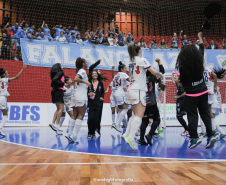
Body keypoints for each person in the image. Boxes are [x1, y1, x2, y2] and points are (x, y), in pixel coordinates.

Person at [175, 32, 216, 149]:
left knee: (192, 116)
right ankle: (210, 135)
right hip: (203, 91)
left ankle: (194, 138)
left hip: (192, 94)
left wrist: (179, 81)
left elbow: (182, 80)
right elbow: (202, 47)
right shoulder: (200, 60)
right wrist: (199, 38)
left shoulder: (183, 66)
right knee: (205, 113)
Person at [123, 43, 162, 149]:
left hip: (131, 89)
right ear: (140, 51)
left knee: (135, 114)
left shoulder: (130, 61)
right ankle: (131, 138)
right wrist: (162, 75)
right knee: (139, 116)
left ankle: (126, 134)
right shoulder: (142, 60)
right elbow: (154, 72)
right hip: (138, 90)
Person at [138, 58, 165, 146]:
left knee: (145, 120)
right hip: (151, 102)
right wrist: (159, 62)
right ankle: (150, 135)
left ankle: (141, 139)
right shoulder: (153, 77)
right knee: (157, 119)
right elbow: (162, 72)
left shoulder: (140, 78)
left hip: (142, 103)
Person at [68, 57, 91, 143]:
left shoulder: (78, 71)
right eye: (86, 62)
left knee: (74, 115)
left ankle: (69, 133)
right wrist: (86, 82)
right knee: (81, 115)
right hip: (80, 95)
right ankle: (74, 135)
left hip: (75, 95)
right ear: (83, 64)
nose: (87, 63)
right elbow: (76, 79)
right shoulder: (82, 71)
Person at [0, 65, 27, 136]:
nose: (8, 74)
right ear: (4, 75)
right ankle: (0, 128)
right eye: (7, 73)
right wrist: (22, 69)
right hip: (2, 98)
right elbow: (16, 77)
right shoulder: (5, 80)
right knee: (5, 115)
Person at [111, 61, 130, 133]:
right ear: (122, 69)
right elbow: (130, 80)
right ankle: (117, 124)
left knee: (122, 110)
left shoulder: (116, 75)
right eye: (125, 68)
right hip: (121, 93)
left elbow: (113, 84)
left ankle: (125, 127)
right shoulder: (124, 74)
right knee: (125, 109)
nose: (126, 69)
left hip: (115, 93)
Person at [87, 70, 105, 138]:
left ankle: (93, 133)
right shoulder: (89, 83)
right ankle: (89, 132)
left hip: (98, 103)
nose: (94, 74)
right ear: (91, 75)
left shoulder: (100, 82)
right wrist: (88, 94)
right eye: (93, 73)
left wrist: (101, 97)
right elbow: (85, 92)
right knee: (90, 118)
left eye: (95, 73)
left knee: (96, 119)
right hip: (91, 103)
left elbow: (103, 91)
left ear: (97, 75)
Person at [49, 63, 65, 134]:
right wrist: (63, 83)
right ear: (59, 67)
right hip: (58, 92)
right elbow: (55, 81)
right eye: (61, 66)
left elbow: (52, 83)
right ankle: (57, 124)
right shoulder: (60, 72)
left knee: (58, 109)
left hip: (55, 92)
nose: (62, 67)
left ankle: (53, 123)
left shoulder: (55, 74)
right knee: (61, 108)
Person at [171, 71, 189, 136]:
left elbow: (185, 93)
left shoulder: (181, 86)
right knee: (179, 116)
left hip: (182, 102)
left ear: (179, 80)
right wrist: (172, 74)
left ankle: (187, 130)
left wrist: (177, 97)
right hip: (179, 102)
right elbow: (173, 81)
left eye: (176, 78)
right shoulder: (178, 85)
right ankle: (187, 129)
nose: (174, 79)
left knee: (179, 116)